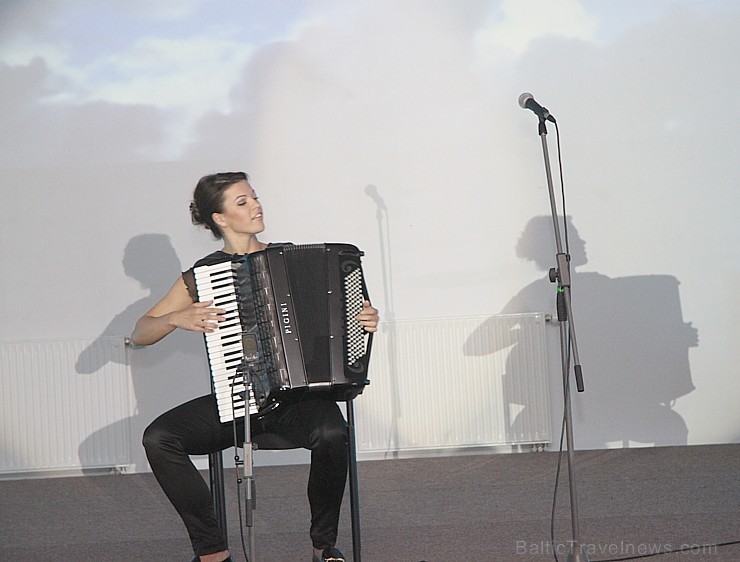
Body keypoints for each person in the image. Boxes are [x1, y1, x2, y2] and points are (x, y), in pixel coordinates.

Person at [130, 171, 379, 562]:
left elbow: (334, 324)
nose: (256, 206)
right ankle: (212, 551)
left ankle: (323, 546)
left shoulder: (292, 258)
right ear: (220, 219)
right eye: (242, 202)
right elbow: (141, 331)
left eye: (255, 198)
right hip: (237, 398)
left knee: (333, 432)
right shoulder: (202, 276)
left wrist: (360, 320)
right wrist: (175, 319)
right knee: (159, 438)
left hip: (296, 402)